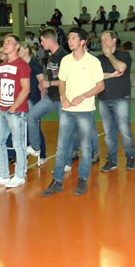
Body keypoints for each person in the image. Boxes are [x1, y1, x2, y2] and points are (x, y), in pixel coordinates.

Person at [41, 27, 104, 197]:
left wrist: (83, 96)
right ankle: (57, 181)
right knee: (62, 146)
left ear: (83, 42)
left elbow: (100, 86)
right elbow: (62, 82)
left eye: (73, 38)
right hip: (67, 110)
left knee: (85, 146)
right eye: (68, 38)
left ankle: (82, 179)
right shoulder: (66, 61)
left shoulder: (93, 62)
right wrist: (63, 97)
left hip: (85, 111)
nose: (69, 41)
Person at [0, 34, 31, 188]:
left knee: (18, 143)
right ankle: (3, 174)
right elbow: (2, 86)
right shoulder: (3, 65)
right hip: (2, 110)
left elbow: (26, 89)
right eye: (4, 42)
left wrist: (13, 107)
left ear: (17, 46)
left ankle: (20, 175)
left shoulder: (22, 65)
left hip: (15, 112)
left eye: (9, 42)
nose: (5, 44)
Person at [25, 28, 68, 164]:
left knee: (65, 131)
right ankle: (36, 147)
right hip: (51, 97)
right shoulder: (51, 58)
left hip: (63, 98)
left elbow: (68, 80)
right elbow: (51, 78)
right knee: (31, 116)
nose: (41, 43)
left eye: (42, 41)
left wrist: (49, 83)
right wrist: (44, 86)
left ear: (49, 40)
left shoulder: (65, 57)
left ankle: (67, 161)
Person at [98, 30, 135, 172]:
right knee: (109, 133)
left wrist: (110, 55)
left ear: (114, 40)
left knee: (124, 129)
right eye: (101, 40)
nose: (103, 42)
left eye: (105, 39)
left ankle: (130, 156)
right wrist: (112, 75)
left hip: (120, 98)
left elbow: (121, 67)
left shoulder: (124, 55)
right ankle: (112, 159)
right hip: (103, 99)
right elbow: (96, 75)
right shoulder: (99, 59)